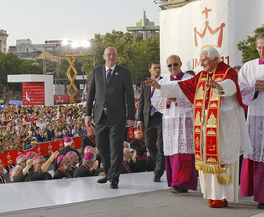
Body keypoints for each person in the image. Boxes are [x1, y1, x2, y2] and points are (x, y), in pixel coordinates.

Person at [145, 46, 252, 208]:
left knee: (222, 157)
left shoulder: (227, 71)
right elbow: (183, 86)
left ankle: (223, 195)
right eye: (200, 60)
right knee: (207, 157)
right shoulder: (202, 76)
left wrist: (219, 86)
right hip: (206, 124)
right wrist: (161, 87)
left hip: (224, 125)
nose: (201, 64)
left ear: (215, 59)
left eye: (204, 60)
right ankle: (212, 193)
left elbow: (231, 85)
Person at [85, 46, 135, 189]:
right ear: (104, 56)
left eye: (114, 55)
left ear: (117, 57)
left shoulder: (124, 72)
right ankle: (108, 172)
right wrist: (88, 114)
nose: (111, 57)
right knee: (102, 147)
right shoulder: (96, 71)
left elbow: (130, 96)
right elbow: (91, 95)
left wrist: (131, 116)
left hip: (117, 117)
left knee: (116, 148)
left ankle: (114, 178)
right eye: (109, 55)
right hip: (100, 117)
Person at [153, 55, 198, 194]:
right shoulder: (163, 81)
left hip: (185, 121)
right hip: (170, 122)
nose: (173, 67)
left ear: (181, 64)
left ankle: (180, 183)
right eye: (170, 65)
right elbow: (155, 100)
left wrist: (177, 98)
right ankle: (176, 183)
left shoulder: (189, 79)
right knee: (173, 153)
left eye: (175, 64)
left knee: (184, 154)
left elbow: (196, 98)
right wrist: (166, 100)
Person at [239, 32, 264, 209]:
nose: (262, 51)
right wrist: (253, 89)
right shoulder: (248, 67)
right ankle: (260, 196)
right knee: (256, 154)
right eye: (260, 47)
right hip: (255, 116)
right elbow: (240, 90)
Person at [137, 60, 165, 182]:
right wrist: (139, 120)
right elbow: (142, 102)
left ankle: (158, 172)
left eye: (159, 68)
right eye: (155, 68)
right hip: (148, 117)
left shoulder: (165, 81)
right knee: (149, 144)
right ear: (150, 70)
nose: (157, 70)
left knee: (161, 146)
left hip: (161, 116)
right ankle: (161, 165)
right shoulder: (145, 84)